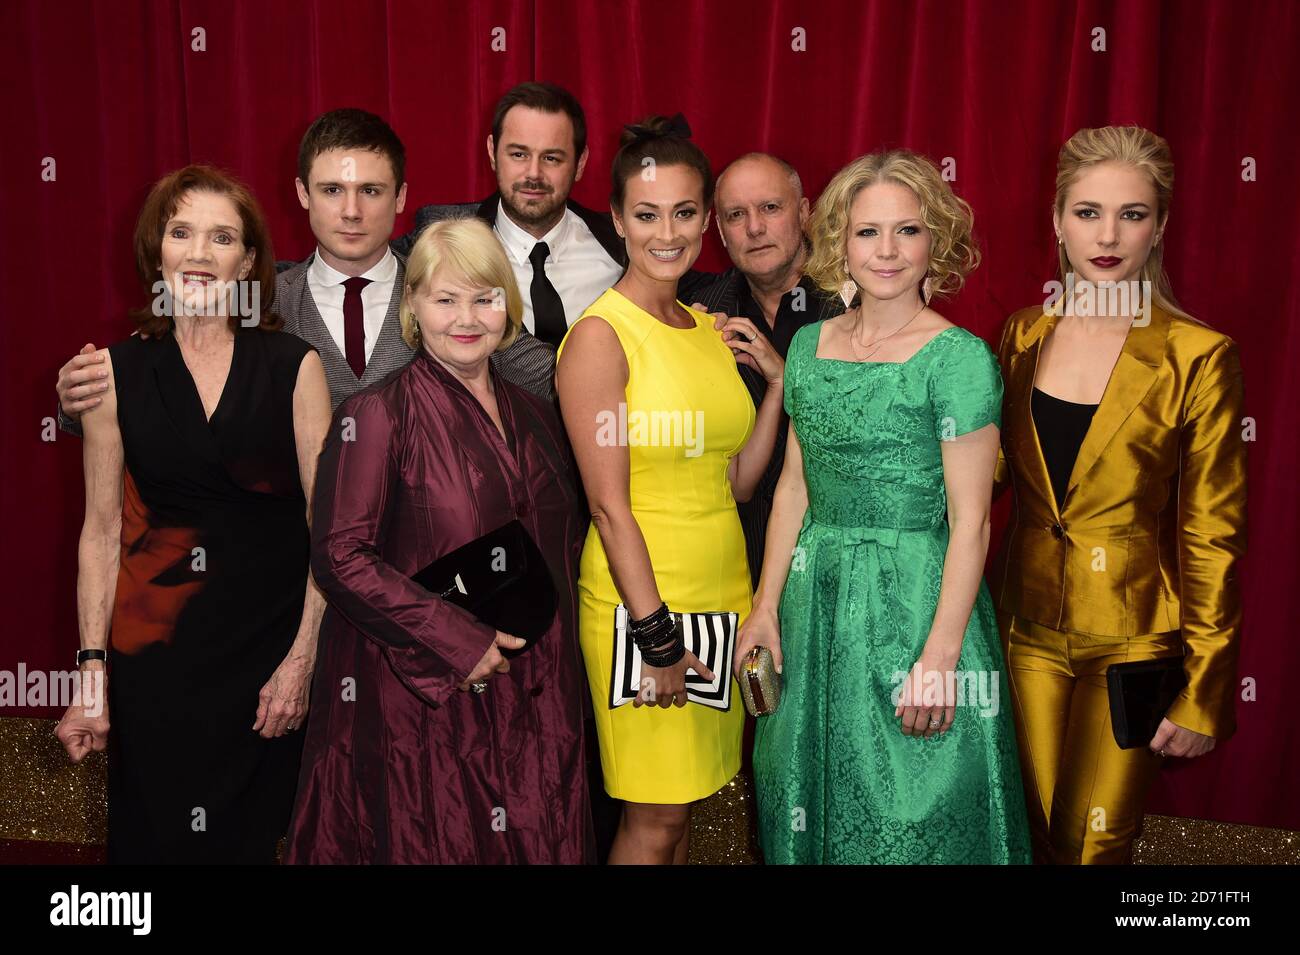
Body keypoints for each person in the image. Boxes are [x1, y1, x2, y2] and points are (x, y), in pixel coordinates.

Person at [741, 149, 1032, 864]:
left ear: (936, 240)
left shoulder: (959, 359)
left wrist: (940, 656)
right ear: (840, 238)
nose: (888, 251)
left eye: (908, 230)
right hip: (815, 602)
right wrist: (765, 605)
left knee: (910, 815)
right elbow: (793, 489)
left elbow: (972, 522)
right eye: (869, 232)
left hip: (916, 601)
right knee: (800, 789)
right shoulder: (808, 346)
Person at [285, 217, 593, 864]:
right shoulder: (372, 416)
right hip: (426, 702)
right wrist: (456, 637)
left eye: (484, 297)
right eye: (445, 298)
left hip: (538, 701)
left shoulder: (539, 416)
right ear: (413, 306)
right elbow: (339, 556)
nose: (467, 317)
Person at [54, 165, 332, 863]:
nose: (201, 254)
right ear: (157, 251)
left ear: (249, 260)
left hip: (272, 667)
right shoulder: (110, 374)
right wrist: (92, 680)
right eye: (182, 233)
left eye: (222, 237)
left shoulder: (295, 367)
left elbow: (331, 533)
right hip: (158, 667)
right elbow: (99, 533)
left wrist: (302, 661)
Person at [990, 126, 1247, 864]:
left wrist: (1202, 688)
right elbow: (990, 478)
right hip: (1026, 630)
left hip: (1136, 640)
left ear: (1160, 224)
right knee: (1037, 833)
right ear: (1057, 220)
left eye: (1131, 214)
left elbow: (1214, 533)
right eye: (1087, 212)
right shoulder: (1021, 334)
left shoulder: (1199, 355)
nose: (1107, 235)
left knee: (1094, 840)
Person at [555, 115, 785, 865]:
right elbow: (607, 505)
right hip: (642, 608)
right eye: (646, 214)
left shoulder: (705, 325)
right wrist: (656, 636)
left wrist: (780, 387)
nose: (667, 232)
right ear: (617, 218)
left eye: (684, 212)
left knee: (684, 813)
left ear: (705, 220)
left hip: (722, 597)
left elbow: (736, 480)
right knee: (652, 821)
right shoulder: (600, 336)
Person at [53, 109, 557, 426]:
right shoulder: (259, 300)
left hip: (426, 566)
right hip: (294, 570)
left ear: (401, 197)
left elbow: (546, 375)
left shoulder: (447, 297)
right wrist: (78, 401)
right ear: (302, 194)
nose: (352, 211)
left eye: (371, 191)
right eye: (333, 190)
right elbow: (163, 371)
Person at [686, 153, 842, 588]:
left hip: (839, 561)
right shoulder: (694, 311)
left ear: (805, 212)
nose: (754, 227)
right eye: (737, 215)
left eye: (770, 208)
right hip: (732, 567)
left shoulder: (861, 300)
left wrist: (786, 376)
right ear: (720, 231)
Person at [394, 83, 626, 349]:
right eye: (518, 154)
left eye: (551, 158)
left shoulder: (621, 241)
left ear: (580, 162)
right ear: (492, 152)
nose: (533, 173)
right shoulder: (440, 234)